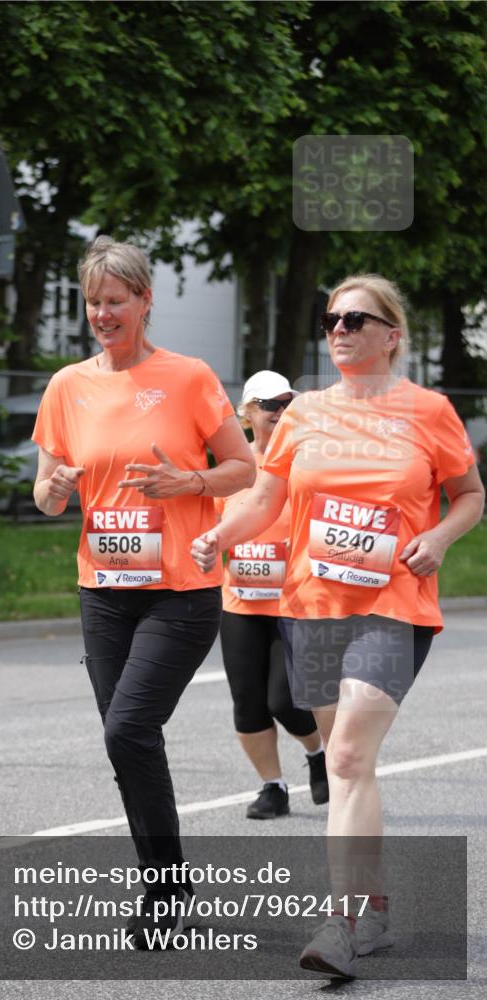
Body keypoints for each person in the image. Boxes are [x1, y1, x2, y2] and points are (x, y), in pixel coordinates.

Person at [191, 274, 484, 978]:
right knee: (352, 764)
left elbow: (469, 495)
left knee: (346, 756)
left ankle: (344, 922)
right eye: (331, 321)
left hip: (394, 605)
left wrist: (439, 537)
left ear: (391, 335)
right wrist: (220, 536)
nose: (340, 330)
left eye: (356, 319)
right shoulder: (304, 413)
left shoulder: (428, 410)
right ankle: (372, 912)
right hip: (312, 608)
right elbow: (266, 497)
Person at [32, 235, 255, 948]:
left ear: (144, 301)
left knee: (127, 729)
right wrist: (54, 488)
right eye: (93, 301)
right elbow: (45, 495)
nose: (103, 313)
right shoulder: (67, 386)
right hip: (102, 590)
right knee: (128, 742)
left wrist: (189, 481)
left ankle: (163, 892)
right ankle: (169, 887)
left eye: (115, 300)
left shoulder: (187, 377)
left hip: (179, 591)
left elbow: (243, 468)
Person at [216, 370, 329, 820]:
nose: (281, 412)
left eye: (288, 403)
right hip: (240, 603)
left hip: (293, 603)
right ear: (247, 414)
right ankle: (273, 787)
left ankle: (317, 751)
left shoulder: (307, 463)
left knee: (283, 700)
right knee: (248, 704)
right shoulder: (234, 467)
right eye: (270, 405)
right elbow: (211, 524)